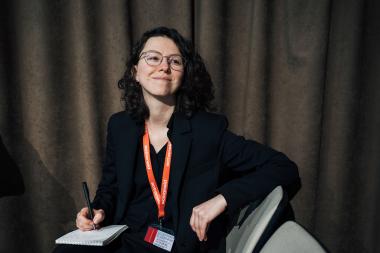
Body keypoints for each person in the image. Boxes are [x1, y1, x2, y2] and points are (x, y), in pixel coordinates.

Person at [53, 26, 300, 253]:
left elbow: (284, 168)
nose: (164, 67)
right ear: (135, 72)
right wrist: (97, 210)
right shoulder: (120, 126)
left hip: (180, 246)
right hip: (125, 237)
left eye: (175, 61)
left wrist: (222, 199)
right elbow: (110, 187)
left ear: (185, 75)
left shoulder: (208, 131)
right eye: (153, 58)